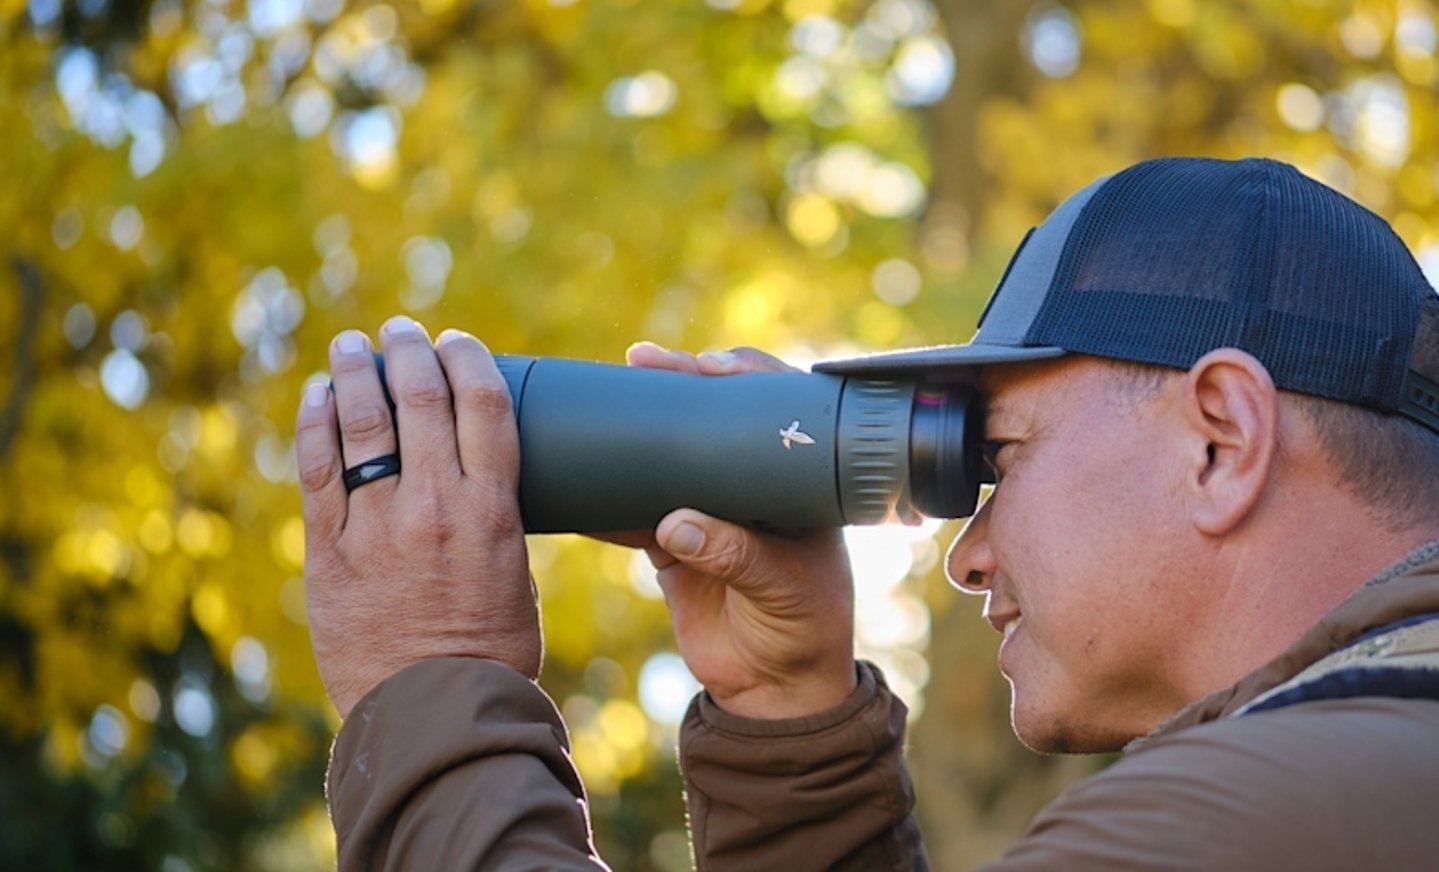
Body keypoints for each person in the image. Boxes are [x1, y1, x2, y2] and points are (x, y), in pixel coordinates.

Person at [294, 156, 1439, 870]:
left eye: (996, 457)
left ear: (1218, 439)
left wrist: (431, 690)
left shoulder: (1241, 819)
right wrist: (790, 730)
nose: (966, 555)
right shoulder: (1369, 771)